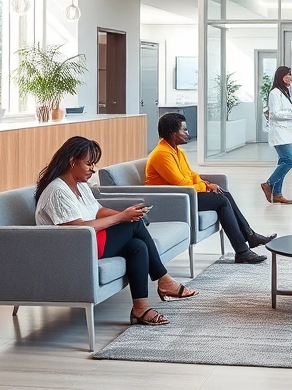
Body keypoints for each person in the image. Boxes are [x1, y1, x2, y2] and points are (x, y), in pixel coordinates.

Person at [35, 136, 196, 327]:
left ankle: (140, 308)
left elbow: (98, 210)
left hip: (89, 242)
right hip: (72, 249)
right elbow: (78, 229)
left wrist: (127, 214)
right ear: (72, 161)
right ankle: (165, 280)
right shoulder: (57, 191)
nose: (92, 169)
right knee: (134, 226)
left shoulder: (80, 186)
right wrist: (121, 218)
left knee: (137, 246)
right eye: (88, 164)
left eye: (93, 164)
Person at [147, 113, 275, 264]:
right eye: (184, 130)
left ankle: (249, 237)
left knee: (223, 194)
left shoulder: (177, 151)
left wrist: (206, 185)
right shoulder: (162, 154)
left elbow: (191, 174)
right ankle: (243, 250)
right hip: (172, 199)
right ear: (172, 133)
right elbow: (181, 184)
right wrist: (204, 186)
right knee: (221, 200)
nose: (188, 133)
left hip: (185, 195)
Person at [261, 66, 292, 205]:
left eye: (291, 74)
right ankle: (268, 184)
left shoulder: (285, 92)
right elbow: (275, 113)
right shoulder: (274, 93)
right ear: (280, 76)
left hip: (286, 131)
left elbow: (286, 111)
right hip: (279, 132)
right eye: (287, 74)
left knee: (283, 161)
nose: (290, 77)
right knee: (289, 160)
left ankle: (277, 194)